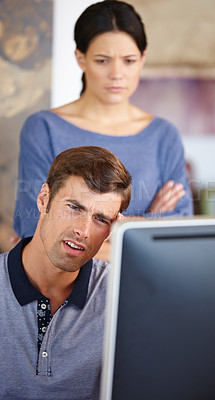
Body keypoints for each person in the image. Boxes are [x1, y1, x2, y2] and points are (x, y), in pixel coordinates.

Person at [13, 0, 193, 243]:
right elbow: (35, 234)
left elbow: (181, 234)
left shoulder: (163, 135)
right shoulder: (44, 129)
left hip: (145, 281)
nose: (117, 73)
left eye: (129, 61)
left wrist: (86, 235)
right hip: (69, 282)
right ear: (81, 59)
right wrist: (149, 222)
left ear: (142, 58)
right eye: (102, 60)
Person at [0, 146, 132, 399]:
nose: (83, 230)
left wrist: (137, 239)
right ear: (43, 199)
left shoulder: (122, 293)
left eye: (101, 219)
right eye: (74, 207)